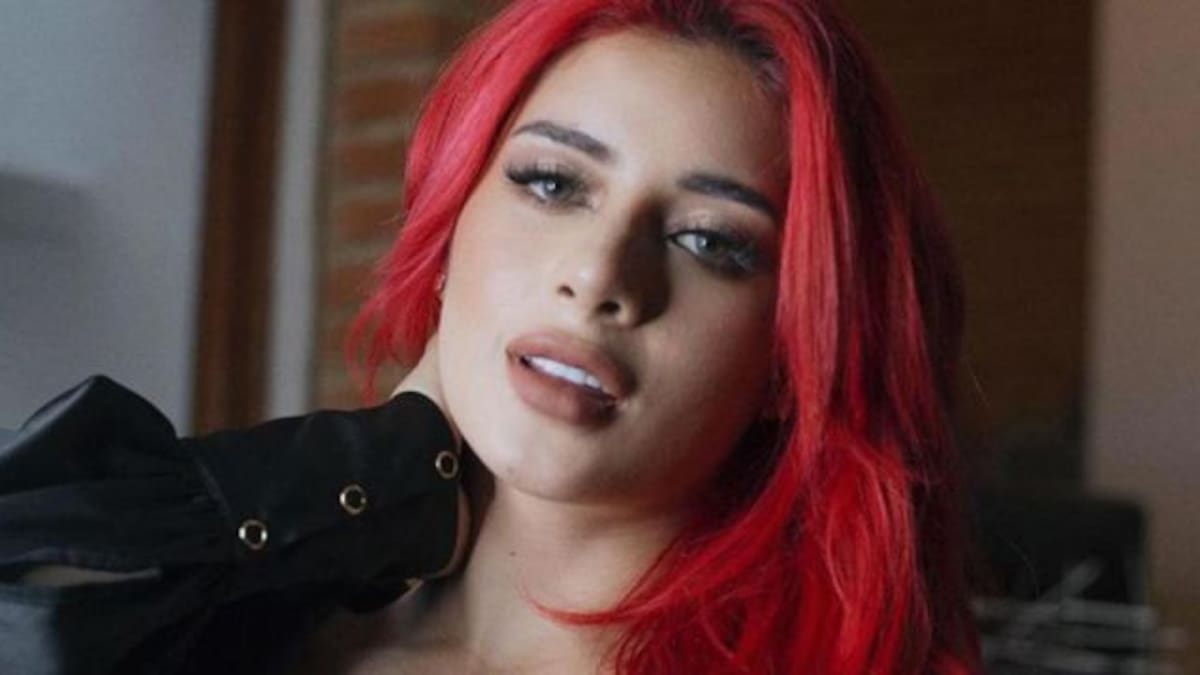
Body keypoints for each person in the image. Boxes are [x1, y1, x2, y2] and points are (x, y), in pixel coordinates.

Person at [0, 0, 981, 673]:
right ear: (449, 225)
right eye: (552, 183)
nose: (599, 277)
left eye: (709, 242)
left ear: (792, 355)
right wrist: (382, 461)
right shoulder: (262, 629)